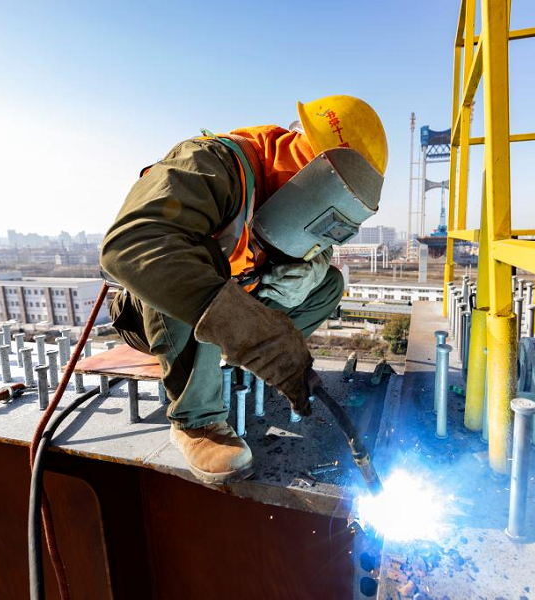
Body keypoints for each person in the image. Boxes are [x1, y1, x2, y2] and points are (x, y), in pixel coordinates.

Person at [101, 95, 387, 484]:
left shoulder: (295, 203)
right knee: (190, 257)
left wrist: (306, 268)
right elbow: (133, 245)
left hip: (231, 305)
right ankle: (196, 420)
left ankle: (234, 361)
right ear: (311, 166)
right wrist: (260, 338)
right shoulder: (208, 163)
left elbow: (318, 252)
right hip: (153, 314)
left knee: (328, 285)